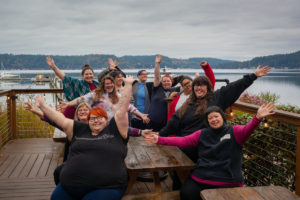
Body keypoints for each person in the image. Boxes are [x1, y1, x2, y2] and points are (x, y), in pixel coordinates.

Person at [145, 103, 275, 200]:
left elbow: (248, 129)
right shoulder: (202, 134)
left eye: (216, 116)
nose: (213, 120)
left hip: (227, 180)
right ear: (207, 122)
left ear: (222, 117)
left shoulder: (235, 131)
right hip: (202, 178)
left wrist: (257, 117)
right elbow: (182, 141)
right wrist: (159, 139)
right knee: (185, 193)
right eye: (210, 118)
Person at [35, 76, 135, 200]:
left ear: (106, 120)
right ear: (88, 121)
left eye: (100, 117)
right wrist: (42, 106)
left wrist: (128, 85)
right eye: (92, 118)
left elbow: (122, 109)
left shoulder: (115, 131)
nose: (96, 120)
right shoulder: (80, 129)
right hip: (69, 186)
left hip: (106, 187)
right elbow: (60, 120)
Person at [158, 65, 270, 162]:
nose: (198, 88)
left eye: (202, 85)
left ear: (208, 87)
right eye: (196, 85)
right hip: (186, 147)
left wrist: (253, 76)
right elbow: (173, 122)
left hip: (207, 148)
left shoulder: (217, 97)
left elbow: (234, 87)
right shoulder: (188, 104)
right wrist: (159, 136)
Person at [59, 75, 150, 124]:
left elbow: (129, 107)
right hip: (98, 124)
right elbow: (81, 99)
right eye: (107, 84)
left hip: (112, 126)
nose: (109, 85)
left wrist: (141, 115)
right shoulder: (96, 94)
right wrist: (68, 104)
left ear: (113, 85)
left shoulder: (117, 95)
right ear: (103, 85)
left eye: (111, 83)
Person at [147, 55, 181, 131]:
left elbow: (187, 86)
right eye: (164, 81)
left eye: (168, 81)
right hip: (154, 122)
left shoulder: (176, 90)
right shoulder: (156, 89)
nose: (166, 82)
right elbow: (157, 76)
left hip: (169, 123)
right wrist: (157, 64)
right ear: (161, 83)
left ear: (171, 82)